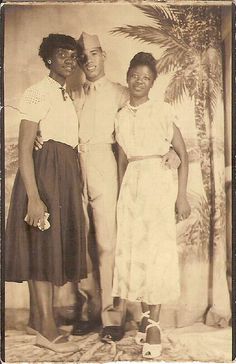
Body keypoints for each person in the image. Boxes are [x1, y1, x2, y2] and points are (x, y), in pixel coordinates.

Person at [35, 32, 181, 342]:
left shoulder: (119, 92)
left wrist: (173, 152)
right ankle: (90, 312)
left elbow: (151, 121)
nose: (89, 61)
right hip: (75, 166)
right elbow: (53, 123)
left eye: (95, 54)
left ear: (104, 56)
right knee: (83, 242)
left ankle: (113, 316)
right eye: (84, 56)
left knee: (108, 243)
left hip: (105, 164)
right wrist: (40, 136)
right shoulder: (71, 94)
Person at [5, 34, 86, 353]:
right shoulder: (38, 93)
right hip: (43, 177)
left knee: (49, 247)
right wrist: (34, 198)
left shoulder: (65, 95)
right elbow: (25, 148)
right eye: (62, 55)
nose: (69, 60)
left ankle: (39, 321)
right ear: (48, 59)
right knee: (41, 247)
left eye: (73, 55)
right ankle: (47, 330)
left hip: (62, 175)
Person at [112, 52, 191, 358]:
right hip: (132, 188)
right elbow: (122, 160)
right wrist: (122, 196)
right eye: (135, 75)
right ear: (128, 75)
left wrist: (181, 196)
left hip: (158, 185)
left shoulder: (162, 111)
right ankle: (145, 320)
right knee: (138, 253)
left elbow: (183, 154)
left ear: (153, 83)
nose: (138, 82)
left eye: (146, 78)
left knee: (156, 253)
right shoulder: (120, 115)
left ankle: (155, 324)